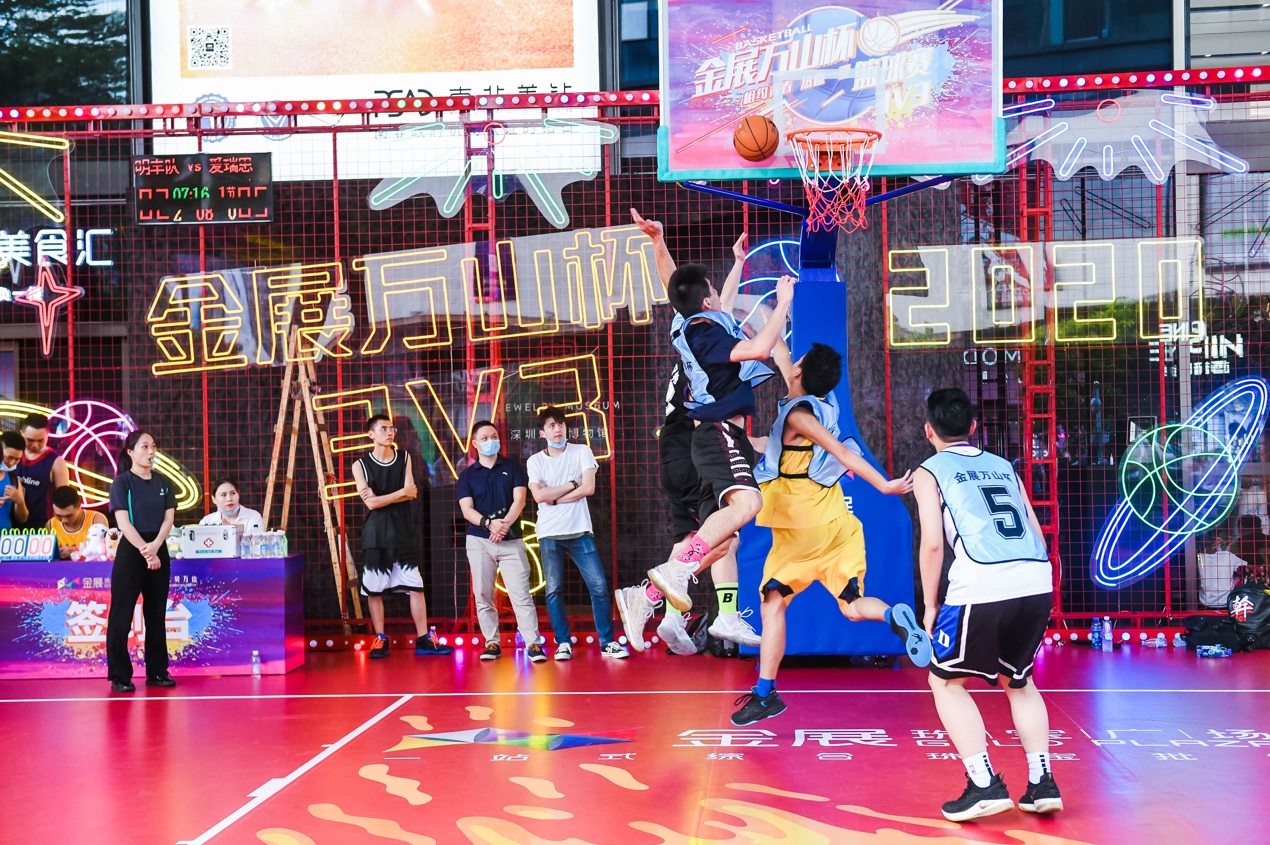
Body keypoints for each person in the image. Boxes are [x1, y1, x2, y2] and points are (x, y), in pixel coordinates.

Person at [730, 342, 930, 726]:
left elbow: (843, 453)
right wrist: (776, 313)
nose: (792, 361)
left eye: (798, 361)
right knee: (852, 605)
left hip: (801, 533)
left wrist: (885, 485)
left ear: (800, 373)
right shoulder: (821, 401)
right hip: (837, 524)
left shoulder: (800, 415)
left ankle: (765, 693)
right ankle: (894, 615)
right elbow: (779, 352)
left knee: (772, 605)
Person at [616, 224, 794, 651]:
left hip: (717, 434)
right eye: (714, 291)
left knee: (723, 537)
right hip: (715, 432)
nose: (721, 296)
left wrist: (735, 264)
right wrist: (782, 303)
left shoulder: (701, 323)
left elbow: (682, 287)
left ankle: (655, 597)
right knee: (748, 505)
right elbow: (758, 349)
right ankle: (671, 579)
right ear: (707, 303)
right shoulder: (704, 332)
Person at [914, 388, 1061, 821]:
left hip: (982, 581)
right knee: (1019, 681)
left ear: (928, 431)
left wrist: (930, 605)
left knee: (945, 683)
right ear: (974, 427)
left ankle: (983, 784)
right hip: (1035, 577)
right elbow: (1034, 528)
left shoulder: (929, 471)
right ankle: (1042, 783)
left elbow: (933, 545)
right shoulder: (1003, 466)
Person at [527, 406, 627, 659]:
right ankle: (563, 643)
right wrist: (573, 483)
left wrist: (556, 497)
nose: (557, 429)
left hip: (580, 530)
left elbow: (588, 488)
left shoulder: (582, 451)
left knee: (599, 586)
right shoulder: (535, 461)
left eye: (560, 424)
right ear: (542, 433)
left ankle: (607, 642)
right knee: (553, 590)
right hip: (549, 532)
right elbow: (539, 495)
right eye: (551, 425)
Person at [353, 414, 452, 659]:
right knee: (374, 591)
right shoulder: (360, 465)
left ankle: (424, 639)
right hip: (376, 535)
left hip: (402, 532)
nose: (390, 432)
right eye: (383, 428)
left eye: (392, 428)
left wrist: (383, 497)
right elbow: (372, 503)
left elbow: (412, 492)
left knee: (415, 586)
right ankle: (380, 638)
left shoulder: (404, 457)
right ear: (371, 434)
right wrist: (398, 493)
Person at [456, 420, 545, 663]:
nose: (490, 441)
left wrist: (503, 525)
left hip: (511, 539)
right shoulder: (467, 476)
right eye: (484, 438)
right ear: (475, 443)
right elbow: (467, 510)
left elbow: (520, 500)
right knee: (483, 594)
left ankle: (533, 643)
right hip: (479, 540)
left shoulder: (513, 467)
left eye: (493, 436)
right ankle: (492, 642)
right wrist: (488, 524)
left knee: (521, 594)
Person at [106, 431, 178, 693]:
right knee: (121, 614)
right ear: (131, 452)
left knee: (156, 614)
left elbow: (168, 519)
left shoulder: (164, 482)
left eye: (153, 446)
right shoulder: (122, 483)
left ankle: (157, 672)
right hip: (132, 549)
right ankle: (120, 676)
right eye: (144, 446)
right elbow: (123, 523)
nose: (151, 451)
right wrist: (146, 552)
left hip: (158, 547)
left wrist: (156, 546)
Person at [13, 413, 70, 528]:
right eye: (30, 440)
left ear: (48, 435)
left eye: (41, 441)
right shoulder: (11, 456)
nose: (35, 445)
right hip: (9, 525)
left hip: (43, 526)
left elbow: (63, 499)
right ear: (21, 433)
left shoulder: (56, 462)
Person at [50, 486, 108, 558]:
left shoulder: (96, 519)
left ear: (79, 506)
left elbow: (105, 549)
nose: (64, 520)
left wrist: (77, 550)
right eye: (58, 515)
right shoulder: (51, 524)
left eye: (69, 516)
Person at [198, 478, 265, 530]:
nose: (229, 499)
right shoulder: (207, 522)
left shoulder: (254, 517)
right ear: (214, 499)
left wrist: (232, 532)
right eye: (223, 495)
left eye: (233, 493)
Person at [0, 432, 30, 531]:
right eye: (9, 457)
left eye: (17, 459)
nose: (12, 463)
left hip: (6, 537)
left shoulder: (13, 480)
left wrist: (19, 501)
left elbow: (23, 519)